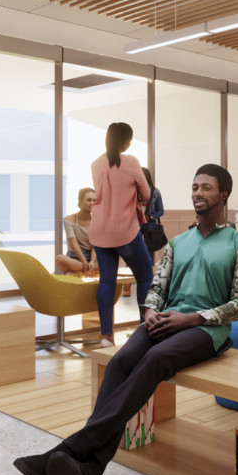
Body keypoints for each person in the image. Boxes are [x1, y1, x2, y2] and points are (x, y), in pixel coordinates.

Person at [13, 164, 238, 475]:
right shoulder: (177, 243)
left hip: (206, 330)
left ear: (223, 195)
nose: (197, 193)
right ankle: (91, 473)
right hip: (164, 321)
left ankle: (68, 450)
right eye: (194, 187)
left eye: (206, 188)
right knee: (120, 362)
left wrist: (191, 319)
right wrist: (150, 311)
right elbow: (157, 287)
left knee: (155, 360)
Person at [89, 122, 155, 348]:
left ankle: (106, 336)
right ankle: (143, 330)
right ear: (126, 142)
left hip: (100, 232)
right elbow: (146, 194)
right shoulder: (132, 162)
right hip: (125, 231)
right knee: (145, 277)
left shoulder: (96, 164)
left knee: (107, 280)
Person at [55, 187, 99, 277]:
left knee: (117, 254)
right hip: (74, 257)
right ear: (80, 202)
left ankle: (90, 267)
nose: (92, 203)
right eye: (89, 200)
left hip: (92, 257)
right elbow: (74, 244)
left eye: (94, 200)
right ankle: (89, 268)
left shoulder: (97, 221)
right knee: (59, 258)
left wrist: (92, 261)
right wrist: (84, 262)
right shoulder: (69, 220)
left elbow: (95, 246)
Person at [140, 167, 166, 263]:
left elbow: (161, 211)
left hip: (150, 224)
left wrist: (151, 217)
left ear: (147, 176)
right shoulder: (133, 190)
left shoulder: (155, 192)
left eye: (143, 174)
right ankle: (130, 272)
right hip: (136, 224)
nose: (141, 176)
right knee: (133, 250)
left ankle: (150, 275)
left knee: (149, 252)